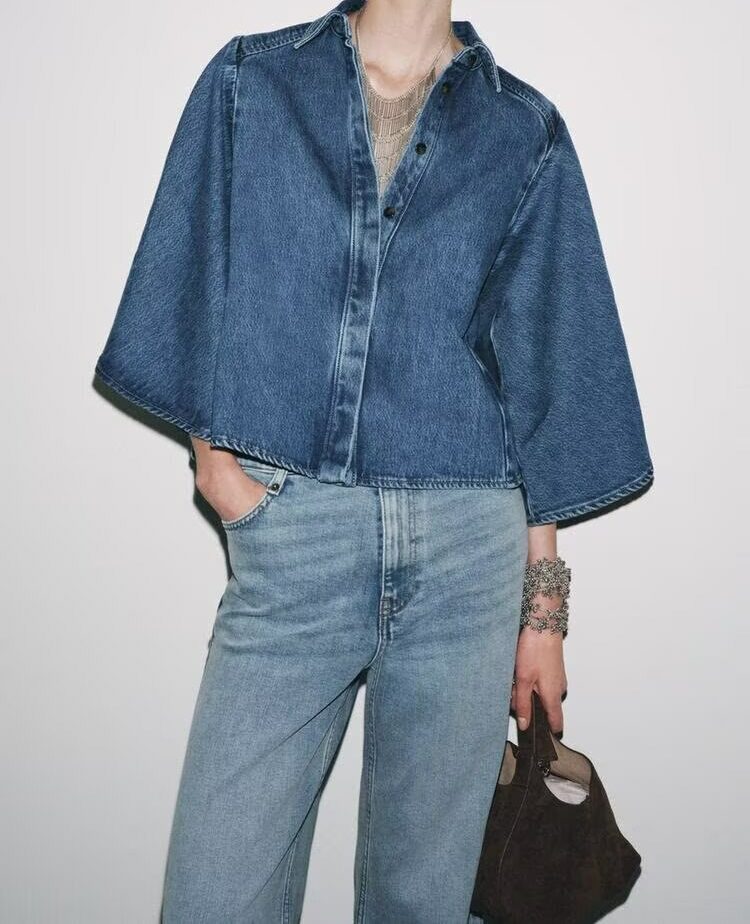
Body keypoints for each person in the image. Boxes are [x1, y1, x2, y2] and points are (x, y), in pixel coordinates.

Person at [93, 1, 654, 920]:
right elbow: (187, 273)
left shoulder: (524, 129)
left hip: (469, 553)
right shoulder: (252, 81)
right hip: (295, 536)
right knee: (214, 896)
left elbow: (544, 371)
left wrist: (542, 612)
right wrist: (219, 474)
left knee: (421, 904)